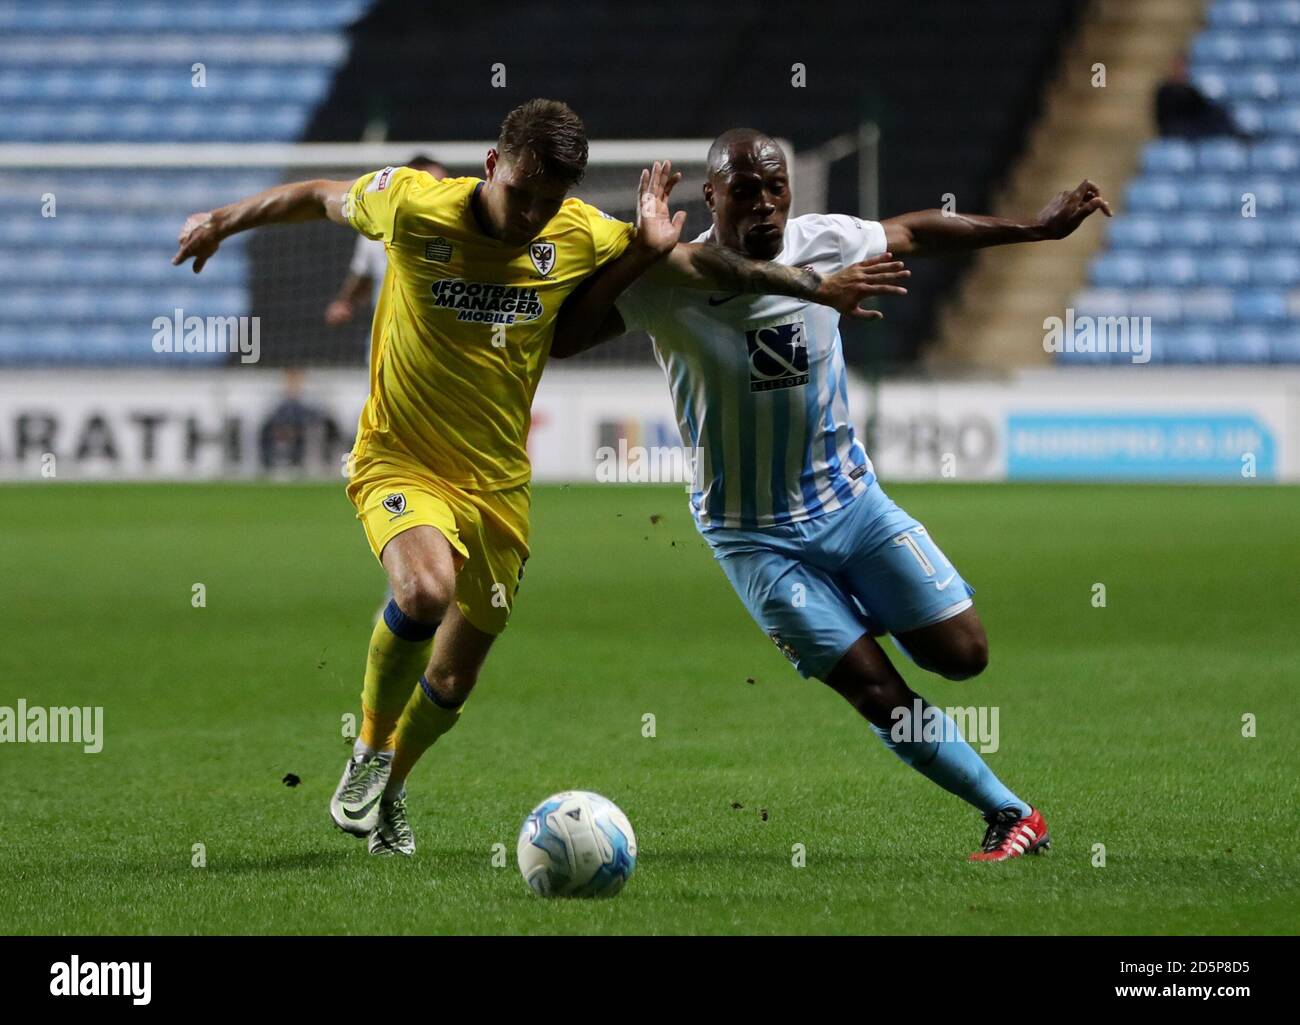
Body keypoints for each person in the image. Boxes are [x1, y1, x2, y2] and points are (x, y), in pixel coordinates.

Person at [173, 101, 900, 856]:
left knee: (453, 682)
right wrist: (223, 220)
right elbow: (315, 194)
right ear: (492, 166)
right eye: (520, 192)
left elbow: (700, 266)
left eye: (546, 201)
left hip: (496, 486)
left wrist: (806, 286)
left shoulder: (577, 229)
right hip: (402, 456)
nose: (530, 214)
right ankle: (368, 752)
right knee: (423, 590)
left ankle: (389, 794)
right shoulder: (415, 204)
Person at [552, 128, 1113, 861]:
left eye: (775, 187)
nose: (765, 205)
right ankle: (1010, 813)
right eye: (745, 191)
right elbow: (564, 337)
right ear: (711, 197)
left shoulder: (824, 239)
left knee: (964, 653)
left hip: (851, 502)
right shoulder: (668, 279)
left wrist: (1034, 230)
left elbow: (912, 231)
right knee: (876, 691)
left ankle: (850, 610)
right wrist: (637, 254)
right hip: (752, 534)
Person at [324, 154, 449, 327]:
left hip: (440, 336)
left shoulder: (455, 232)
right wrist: (345, 302)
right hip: (388, 336)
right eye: (432, 186)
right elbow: (363, 275)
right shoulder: (375, 232)